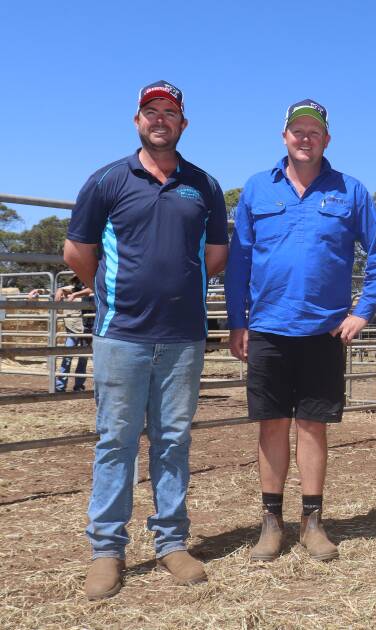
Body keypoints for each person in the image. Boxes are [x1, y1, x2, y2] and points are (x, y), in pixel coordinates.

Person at [64, 80, 228, 600]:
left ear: (183, 124)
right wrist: (117, 293)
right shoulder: (108, 180)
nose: (160, 119)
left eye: (170, 112)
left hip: (183, 339)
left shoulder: (204, 186)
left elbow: (216, 257)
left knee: (173, 441)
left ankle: (171, 543)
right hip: (122, 336)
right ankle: (107, 551)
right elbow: (77, 253)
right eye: (151, 111)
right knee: (116, 441)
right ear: (137, 120)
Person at [225, 99, 376, 563]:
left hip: (324, 330)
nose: (305, 137)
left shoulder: (350, 191)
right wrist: (237, 321)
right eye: (297, 130)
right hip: (267, 327)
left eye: (314, 131)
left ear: (326, 139)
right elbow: (238, 261)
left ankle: (313, 521)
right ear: (284, 137)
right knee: (272, 424)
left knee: (313, 425)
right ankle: (271, 522)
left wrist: (362, 311)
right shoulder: (259, 189)